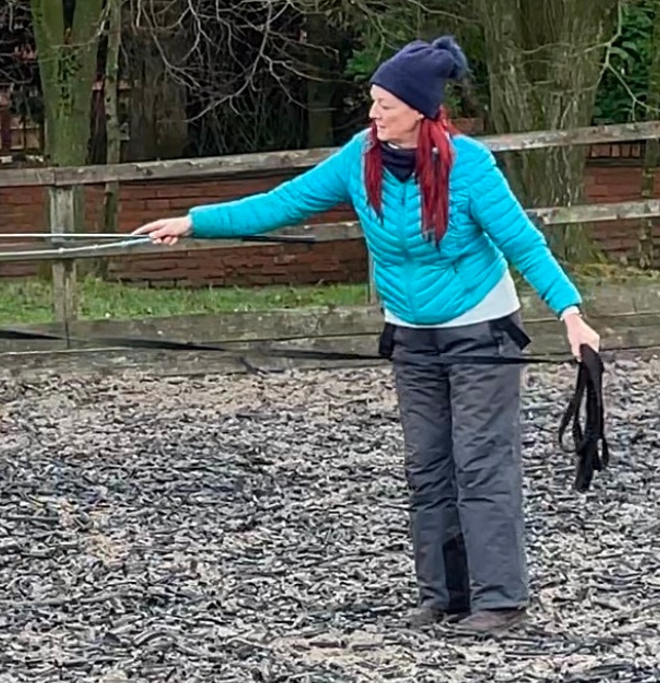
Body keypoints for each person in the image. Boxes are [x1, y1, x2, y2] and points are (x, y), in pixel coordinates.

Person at [133, 35, 602, 635]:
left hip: (481, 331)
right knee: (427, 467)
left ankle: (500, 601)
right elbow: (283, 203)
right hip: (410, 336)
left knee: (480, 465)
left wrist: (570, 314)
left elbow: (523, 244)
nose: (374, 113)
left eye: (386, 104)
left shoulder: (469, 166)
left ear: (420, 110)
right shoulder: (360, 158)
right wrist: (193, 223)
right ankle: (444, 596)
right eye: (373, 101)